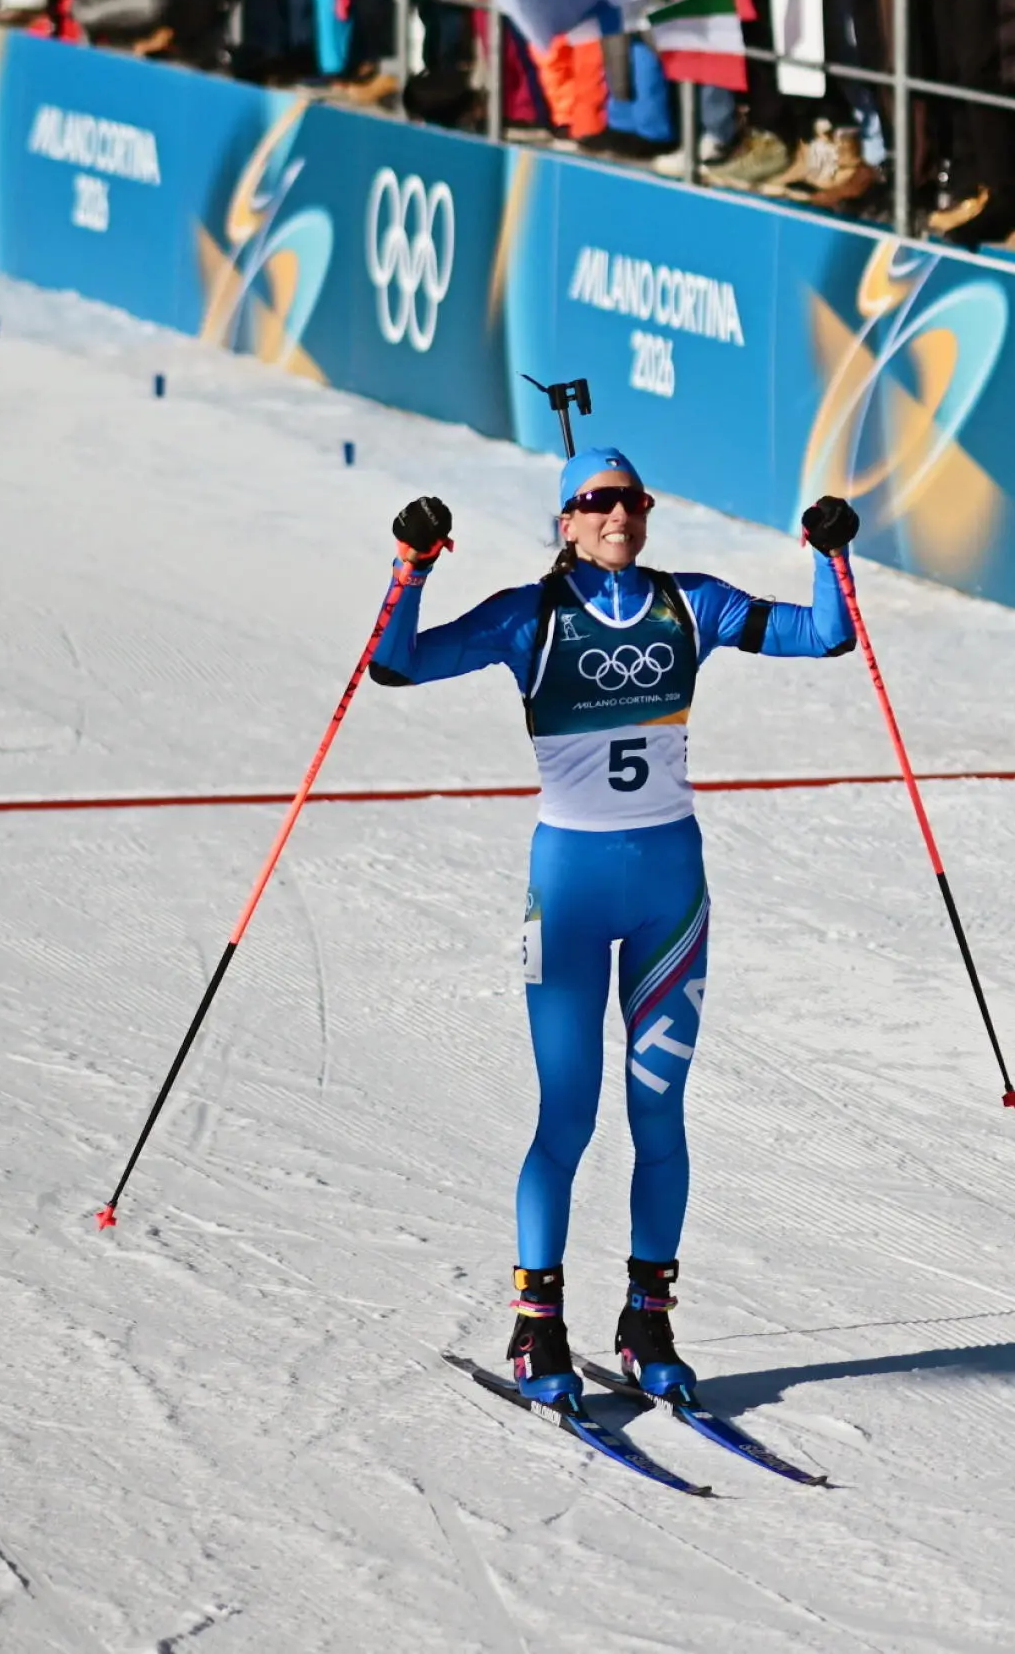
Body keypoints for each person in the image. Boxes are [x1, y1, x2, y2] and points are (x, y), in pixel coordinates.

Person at [369, 454, 864, 1407]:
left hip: (669, 894)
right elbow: (399, 661)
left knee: (659, 1115)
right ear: (565, 520)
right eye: (595, 503)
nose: (616, 516)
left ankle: (648, 1321)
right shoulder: (530, 616)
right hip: (570, 888)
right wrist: (411, 565)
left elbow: (826, 635)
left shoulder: (693, 605)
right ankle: (536, 1325)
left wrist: (830, 552)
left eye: (630, 500)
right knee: (568, 1114)